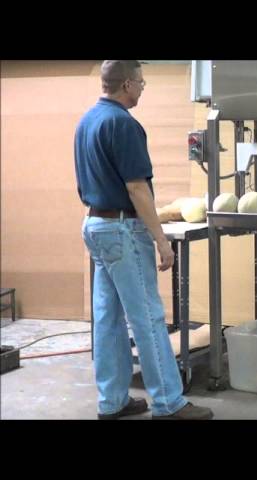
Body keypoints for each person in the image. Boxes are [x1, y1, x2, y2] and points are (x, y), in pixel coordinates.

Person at [74, 60, 213, 420]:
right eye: (140, 82)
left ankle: (112, 401)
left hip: (95, 225)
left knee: (107, 318)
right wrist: (161, 240)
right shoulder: (123, 124)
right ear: (125, 85)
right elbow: (137, 188)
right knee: (148, 317)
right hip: (122, 230)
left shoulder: (86, 121)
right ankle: (168, 402)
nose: (142, 88)